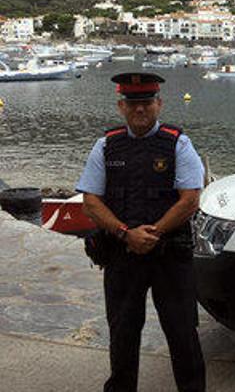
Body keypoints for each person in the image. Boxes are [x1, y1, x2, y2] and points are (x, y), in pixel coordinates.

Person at [77, 72, 206, 392]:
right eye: (133, 103)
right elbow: (91, 202)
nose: (140, 109)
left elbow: (190, 199)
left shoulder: (179, 143)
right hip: (122, 255)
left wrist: (153, 234)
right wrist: (125, 233)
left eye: (147, 102)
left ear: (159, 104)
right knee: (122, 333)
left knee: (183, 333)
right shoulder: (106, 146)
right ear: (121, 106)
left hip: (170, 256)